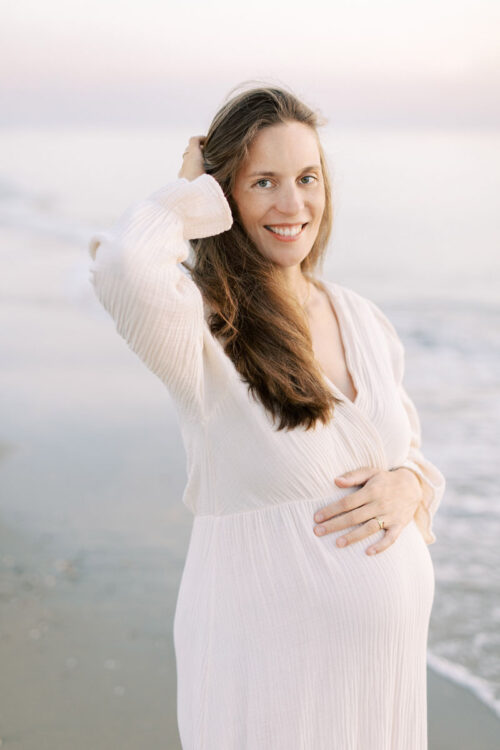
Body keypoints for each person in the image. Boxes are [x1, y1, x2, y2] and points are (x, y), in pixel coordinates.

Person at [88, 84, 446, 749]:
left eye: (307, 178)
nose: (293, 204)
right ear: (226, 196)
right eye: (264, 182)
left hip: (380, 690)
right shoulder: (201, 324)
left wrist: (411, 484)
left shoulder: (364, 319)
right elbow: (126, 266)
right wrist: (187, 188)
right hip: (267, 679)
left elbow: (410, 450)